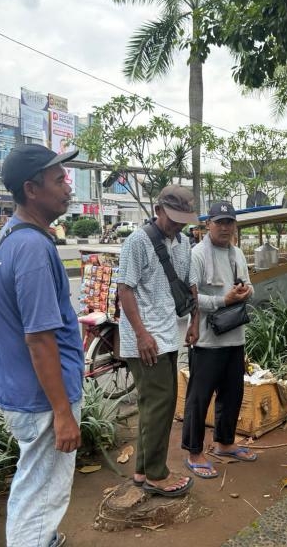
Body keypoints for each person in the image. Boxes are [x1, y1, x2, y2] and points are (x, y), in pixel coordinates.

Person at [0, 144, 83, 547]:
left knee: (35, 487)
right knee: (40, 497)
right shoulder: (32, 248)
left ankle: (45, 539)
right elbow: (39, 338)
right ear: (31, 189)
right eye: (59, 179)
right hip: (42, 400)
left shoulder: (12, 236)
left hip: (24, 391)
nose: (68, 187)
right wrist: (62, 413)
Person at [117, 185, 199, 497]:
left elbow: (190, 283)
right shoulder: (138, 241)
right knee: (160, 404)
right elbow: (125, 289)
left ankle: (142, 471)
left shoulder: (183, 242)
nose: (177, 224)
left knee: (155, 404)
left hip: (169, 333)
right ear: (158, 210)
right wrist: (141, 334)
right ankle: (156, 474)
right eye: (173, 217)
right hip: (146, 338)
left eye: (183, 219)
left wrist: (195, 321)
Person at [182, 201, 256, 478]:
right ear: (208, 225)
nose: (225, 228)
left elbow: (249, 284)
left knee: (232, 394)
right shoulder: (197, 255)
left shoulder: (237, 253)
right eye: (219, 222)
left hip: (235, 336)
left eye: (229, 222)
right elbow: (189, 298)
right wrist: (222, 300)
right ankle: (194, 452)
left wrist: (247, 291)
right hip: (206, 340)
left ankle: (225, 443)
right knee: (199, 399)